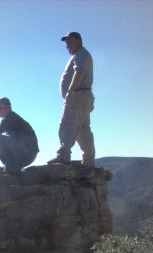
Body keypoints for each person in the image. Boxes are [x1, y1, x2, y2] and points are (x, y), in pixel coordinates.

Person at [48, 31, 95, 167]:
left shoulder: (81, 54)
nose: (67, 45)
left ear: (78, 40)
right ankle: (88, 160)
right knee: (83, 130)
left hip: (78, 95)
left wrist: (71, 91)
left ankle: (63, 155)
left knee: (67, 124)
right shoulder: (81, 54)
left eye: (70, 41)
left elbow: (79, 72)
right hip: (83, 96)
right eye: (66, 42)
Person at [0, 97, 39, 173]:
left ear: (3, 107)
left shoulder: (10, 118)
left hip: (27, 153)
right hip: (29, 153)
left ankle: (11, 166)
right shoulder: (13, 118)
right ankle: (13, 167)